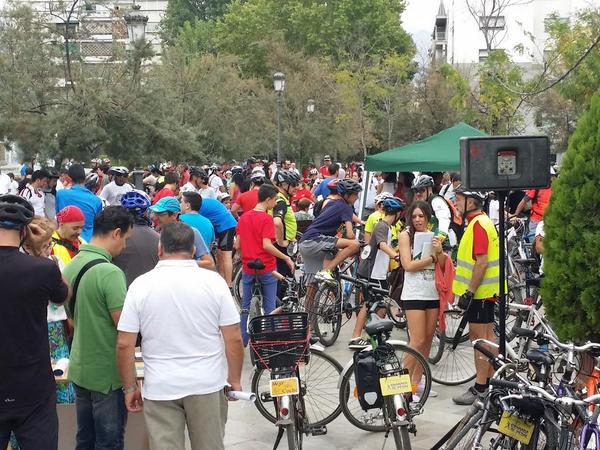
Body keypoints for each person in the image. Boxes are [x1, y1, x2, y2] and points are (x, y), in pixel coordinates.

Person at [116, 222, 243, 450]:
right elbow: (233, 336)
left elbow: (125, 344)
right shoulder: (214, 283)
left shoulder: (140, 286)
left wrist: (130, 387)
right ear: (194, 250)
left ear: (160, 249)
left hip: (160, 385)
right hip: (206, 382)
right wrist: (234, 380)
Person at [0, 195, 69, 450]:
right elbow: (63, 296)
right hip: (33, 384)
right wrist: (41, 253)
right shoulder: (42, 269)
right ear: (24, 231)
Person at [63, 207, 134, 450]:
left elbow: (70, 318)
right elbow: (123, 327)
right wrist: (131, 384)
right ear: (116, 233)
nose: (124, 246)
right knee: (109, 443)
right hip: (107, 375)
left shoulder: (72, 266)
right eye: (125, 239)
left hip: (80, 368)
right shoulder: (109, 272)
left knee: (85, 439)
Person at [451, 188, 500, 405]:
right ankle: (489, 383)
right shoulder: (484, 222)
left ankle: (480, 387)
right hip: (486, 292)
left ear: (472, 202)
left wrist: (469, 292)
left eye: (459, 199)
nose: (456, 202)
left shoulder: (478, 225)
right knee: (488, 338)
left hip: (479, 292)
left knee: (479, 340)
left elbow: (481, 262)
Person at [235, 184, 294, 345]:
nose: (275, 203)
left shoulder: (244, 217)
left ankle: (243, 341)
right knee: (269, 306)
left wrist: (246, 254)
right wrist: (286, 258)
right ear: (268, 200)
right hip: (267, 267)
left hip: (248, 267)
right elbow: (267, 245)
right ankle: (270, 341)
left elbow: (237, 245)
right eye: (274, 200)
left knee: (245, 306)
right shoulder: (267, 218)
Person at [398, 201, 446, 399]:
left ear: (428, 217)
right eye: (415, 216)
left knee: (427, 340)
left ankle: (416, 384)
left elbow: (443, 265)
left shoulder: (434, 236)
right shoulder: (405, 235)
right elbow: (407, 265)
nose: (418, 220)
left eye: (422, 216)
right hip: (414, 293)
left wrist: (440, 251)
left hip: (431, 292)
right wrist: (431, 259)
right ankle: (400, 382)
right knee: (416, 339)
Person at [299, 179, 362, 312]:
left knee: (313, 287)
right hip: (316, 240)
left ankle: (309, 327)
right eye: (355, 194)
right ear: (347, 195)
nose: (356, 198)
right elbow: (350, 235)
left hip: (305, 243)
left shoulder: (331, 203)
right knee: (355, 244)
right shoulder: (345, 207)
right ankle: (327, 271)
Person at [351, 197, 405, 349]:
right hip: (372, 273)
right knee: (371, 304)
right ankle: (356, 337)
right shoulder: (383, 226)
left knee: (377, 305)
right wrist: (396, 255)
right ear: (398, 213)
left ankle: (372, 336)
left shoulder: (385, 226)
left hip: (376, 272)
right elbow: (381, 245)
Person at [150, 197, 215, 270]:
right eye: (155, 214)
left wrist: (182, 264)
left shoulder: (191, 232)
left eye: (161, 214)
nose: (155, 218)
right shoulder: (156, 232)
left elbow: (209, 263)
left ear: (174, 215)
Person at [113, 190, 160, 287]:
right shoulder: (159, 238)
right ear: (146, 212)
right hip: (151, 293)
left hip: (122, 293)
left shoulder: (115, 237)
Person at [56, 164, 103, 242]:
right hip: (87, 244)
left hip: (64, 242)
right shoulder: (97, 200)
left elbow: (58, 218)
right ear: (85, 179)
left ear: (69, 179)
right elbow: (97, 225)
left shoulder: (60, 194)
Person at [271, 170, 300, 298]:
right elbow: (277, 222)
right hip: (281, 247)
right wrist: (281, 241)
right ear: (283, 185)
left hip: (282, 245)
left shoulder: (279, 198)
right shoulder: (281, 201)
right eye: (293, 185)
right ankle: (279, 312)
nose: (297, 188)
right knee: (284, 281)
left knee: (285, 280)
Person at [200, 197, 237, 287]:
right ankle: (221, 279)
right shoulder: (204, 202)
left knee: (226, 255)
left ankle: (229, 284)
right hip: (222, 227)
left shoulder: (199, 206)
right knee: (220, 254)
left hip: (227, 226)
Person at [510, 166, 556, 235]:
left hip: (551, 220)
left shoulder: (556, 187)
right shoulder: (538, 185)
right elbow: (524, 200)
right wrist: (515, 215)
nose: (551, 178)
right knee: (534, 241)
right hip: (536, 220)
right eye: (550, 176)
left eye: (552, 176)